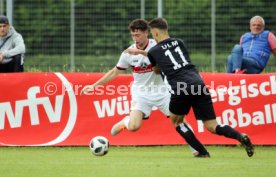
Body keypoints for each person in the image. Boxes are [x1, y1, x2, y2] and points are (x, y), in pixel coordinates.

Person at [81, 19, 210, 157]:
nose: (135, 38)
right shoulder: (128, 53)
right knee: (134, 127)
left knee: (180, 121)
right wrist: (94, 86)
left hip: (162, 92)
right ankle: (126, 121)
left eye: (138, 35)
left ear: (146, 33)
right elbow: (114, 72)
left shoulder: (158, 46)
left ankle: (195, 149)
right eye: (133, 35)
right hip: (141, 93)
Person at [132, 17, 254, 157]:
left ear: (156, 33)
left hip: (180, 86)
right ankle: (240, 136)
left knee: (177, 121)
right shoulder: (180, 42)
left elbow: (156, 70)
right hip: (198, 83)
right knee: (212, 126)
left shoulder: (154, 51)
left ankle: (202, 152)